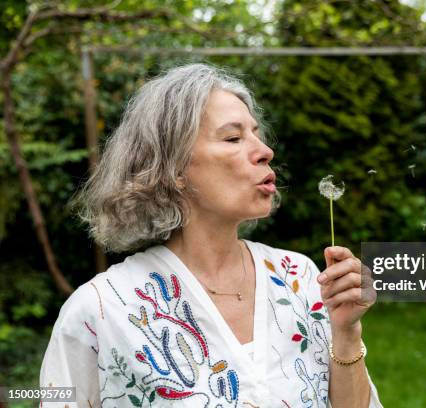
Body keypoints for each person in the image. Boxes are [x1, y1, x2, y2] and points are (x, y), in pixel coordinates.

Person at [40, 63, 383, 407]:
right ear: (173, 169)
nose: (265, 151)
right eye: (233, 138)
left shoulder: (301, 278)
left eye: (256, 133)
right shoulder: (100, 312)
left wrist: (347, 333)